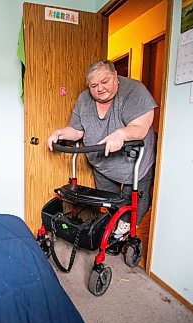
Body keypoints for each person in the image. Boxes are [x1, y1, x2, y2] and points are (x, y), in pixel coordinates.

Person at [47, 60, 157, 255]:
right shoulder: (84, 99)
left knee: (136, 200)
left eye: (105, 81)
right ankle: (119, 225)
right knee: (111, 201)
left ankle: (125, 231)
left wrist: (121, 134)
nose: (100, 89)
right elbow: (77, 130)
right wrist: (59, 134)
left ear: (115, 76)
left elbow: (140, 128)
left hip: (134, 163)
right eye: (94, 85)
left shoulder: (134, 91)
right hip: (102, 163)